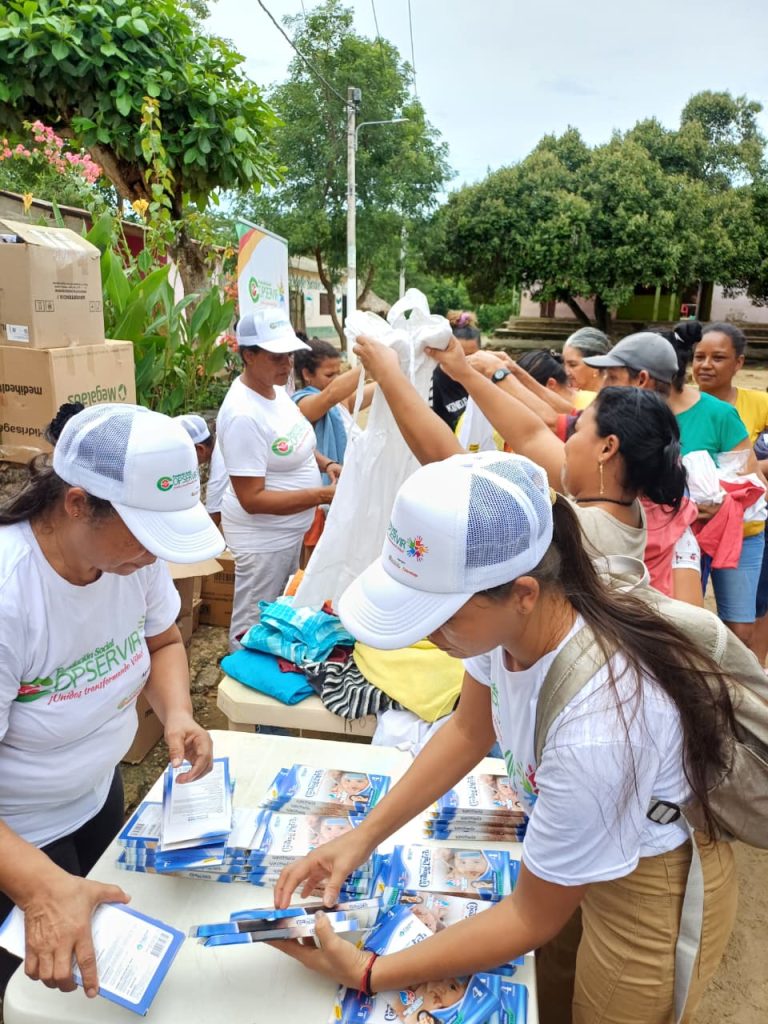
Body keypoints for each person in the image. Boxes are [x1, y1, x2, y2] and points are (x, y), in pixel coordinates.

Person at [271, 451, 740, 1024]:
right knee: (553, 989)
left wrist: (369, 972)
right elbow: (470, 729)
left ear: (522, 592)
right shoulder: (510, 629)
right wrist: (362, 836)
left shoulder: (599, 729)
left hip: (649, 874)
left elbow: (530, 917)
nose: (427, 634)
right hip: (576, 842)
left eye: (439, 615)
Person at [0, 403, 222, 998]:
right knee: (32, 995)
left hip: (95, 797)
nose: (154, 555)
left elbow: (165, 638)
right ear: (77, 504)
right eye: (146, 536)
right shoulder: (10, 596)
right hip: (13, 840)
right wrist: (39, 887)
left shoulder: (128, 559)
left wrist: (177, 711)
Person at [352, 335, 685, 575]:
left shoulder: (571, 524)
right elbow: (532, 434)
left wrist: (390, 376)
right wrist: (463, 373)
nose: (566, 441)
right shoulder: (623, 501)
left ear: (607, 448)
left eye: (578, 429)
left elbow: (452, 466)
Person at [216, 309, 339, 649]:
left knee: (277, 609)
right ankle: (238, 684)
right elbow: (252, 499)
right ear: (249, 355)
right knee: (252, 619)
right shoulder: (243, 414)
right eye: (276, 357)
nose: (286, 365)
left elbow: (292, 440)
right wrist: (320, 496)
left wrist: (326, 463)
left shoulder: (275, 390)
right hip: (262, 540)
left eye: (289, 355)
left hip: (288, 531)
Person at [692, 322, 768, 657]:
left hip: (744, 530)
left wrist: (752, 471)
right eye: (699, 357)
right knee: (688, 624)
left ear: (738, 363)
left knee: (740, 630)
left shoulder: (758, 403)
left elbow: (747, 470)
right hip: (692, 532)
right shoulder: (680, 406)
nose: (706, 365)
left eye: (718, 357)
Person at [292, 338, 375, 480]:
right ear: (306, 374)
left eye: (339, 373)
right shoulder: (301, 403)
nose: (336, 379)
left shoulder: (341, 402)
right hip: (326, 485)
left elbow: (377, 389)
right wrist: (370, 365)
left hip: (352, 479)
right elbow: (330, 395)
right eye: (329, 375)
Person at [430, 310, 481, 430]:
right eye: (460, 356)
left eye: (471, 355)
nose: (465, 362)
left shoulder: (484, 379)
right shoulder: (433, 382)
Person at [560, 326, 610, 404]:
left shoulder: (612, 401)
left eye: (573, 365)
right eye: (564, 363)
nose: (566, 372)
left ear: (596, 364)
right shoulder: (566, 398)